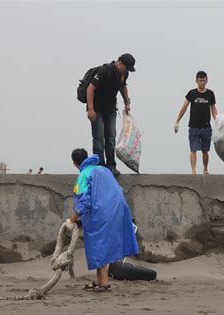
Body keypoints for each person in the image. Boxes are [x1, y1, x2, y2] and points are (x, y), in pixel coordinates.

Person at [67, 148, 139, 292]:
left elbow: (84, 203)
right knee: (103, 246)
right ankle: (99, 280)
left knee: (98, 246)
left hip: (100, 214)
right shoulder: (103, 169)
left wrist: (72, 220)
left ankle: (104, 283)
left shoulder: (84, 175)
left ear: (75, 163)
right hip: (117, 209)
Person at [86, 53, 136, 176]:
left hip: (111, 109)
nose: (127, 71)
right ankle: (100, 165)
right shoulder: (105, 70)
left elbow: (123, 87)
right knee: (99, 137)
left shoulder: (124, 74)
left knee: (111, 136)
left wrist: (127, 102)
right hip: (97, 108)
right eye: (126, 68)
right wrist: (91, 109)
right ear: (120, 63)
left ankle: (111, 165)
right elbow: (90, 89)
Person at [174, 71, 218, 174]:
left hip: (206, 127)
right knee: (193, 149)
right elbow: (184, 107)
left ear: (207, 81)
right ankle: (193, 170)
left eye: (204, 80)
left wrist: (218, 122)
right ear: (196, 81)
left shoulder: (210, 94)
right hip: (193, 127)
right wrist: (177, 121)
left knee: (205, 150)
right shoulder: (192, 93)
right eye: (200, 81)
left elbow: (213, 109)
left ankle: (205, 169)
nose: (202, 82)